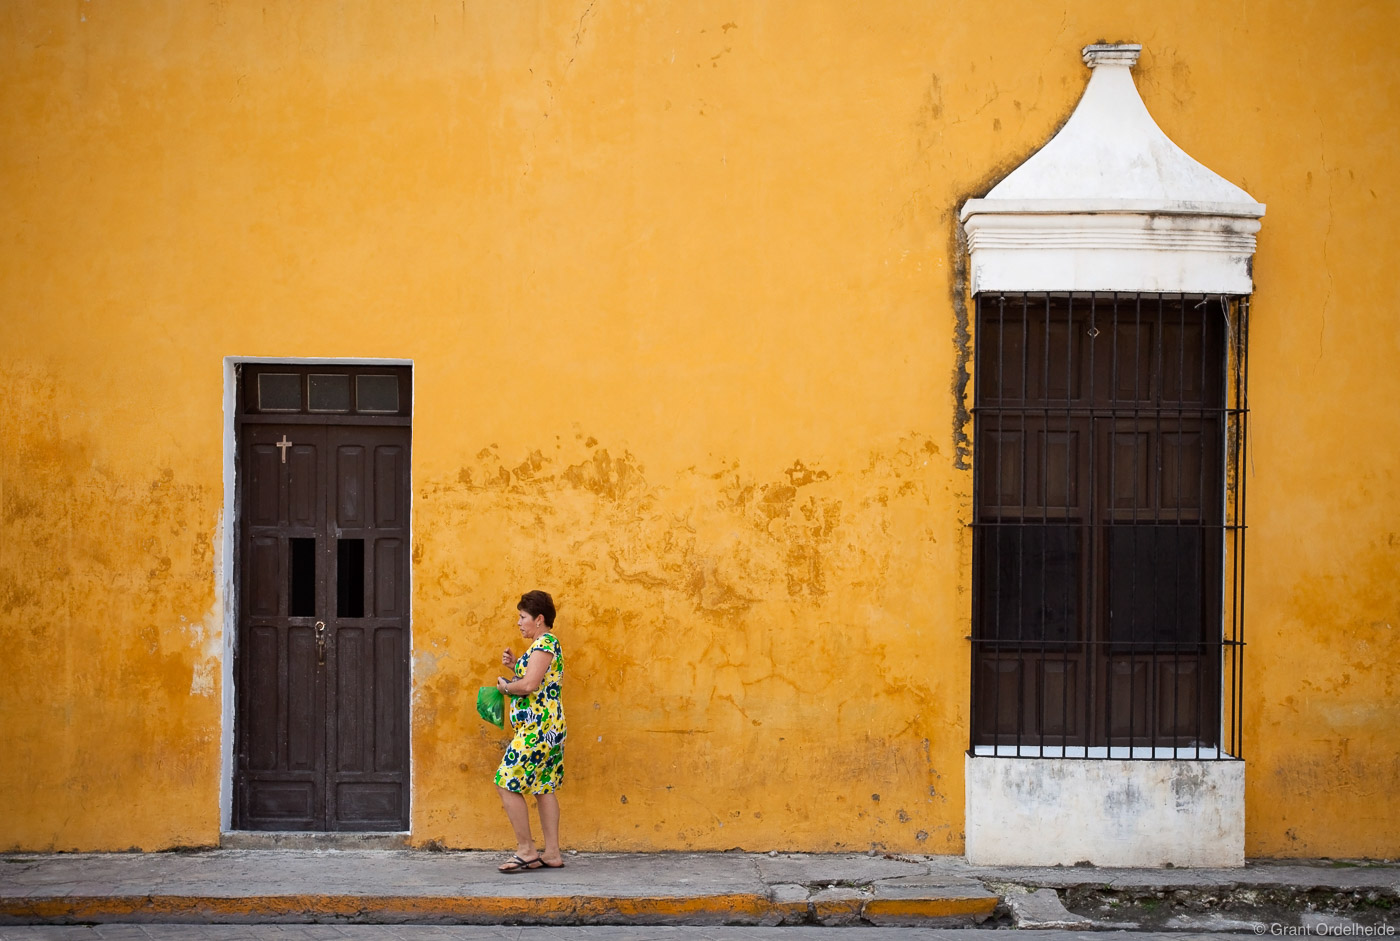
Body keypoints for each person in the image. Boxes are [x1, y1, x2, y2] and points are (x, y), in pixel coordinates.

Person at [493, 589, 567, 872]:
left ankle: (526, 850)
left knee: (505, 781)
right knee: (543, 787)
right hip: (549, 727)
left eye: (522, 617)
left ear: (539, 618)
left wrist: (505, 686)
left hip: (538, 729)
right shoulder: (542, 645)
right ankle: (552, 853)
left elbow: (528, 686)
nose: (519, 622)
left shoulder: (545, 643)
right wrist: (515, 665)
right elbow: (537, 678)